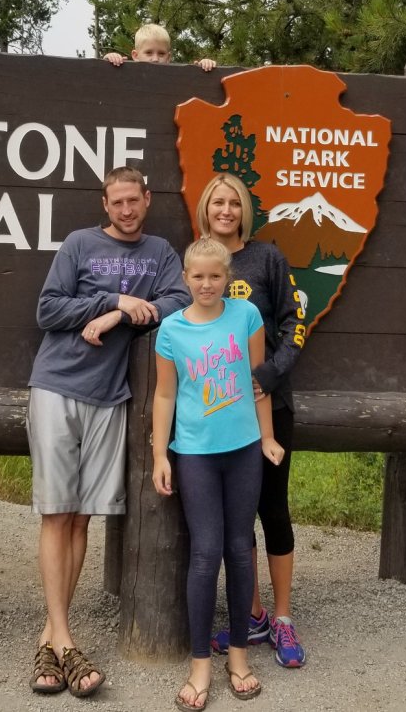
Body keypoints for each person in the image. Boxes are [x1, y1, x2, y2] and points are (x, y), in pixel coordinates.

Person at [27, 165, 191, 698]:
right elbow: (48, 309)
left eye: (133, 200)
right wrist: (113, 302)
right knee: (57, 513)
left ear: (148, 198)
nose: (125, 210)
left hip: (110, 396)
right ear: (106, 203)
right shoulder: (79, 243)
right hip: (57, 386)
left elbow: (179, 301)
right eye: (116, 202)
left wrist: (120, 320)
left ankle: (51, 639)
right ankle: (66, 640)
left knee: (81, 519)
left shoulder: (161, 252)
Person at [153, 237, 284, 710]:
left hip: (245, 449)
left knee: (240, 550)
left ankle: (238, 657)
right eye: (198, 276)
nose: (206, 284)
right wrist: (160, 455)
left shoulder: (246, 317)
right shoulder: (170, 330)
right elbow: (165, 395)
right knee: (205, 554)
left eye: (215, 276)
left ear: (228, 278)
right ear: (185, 279)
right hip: (195, 454)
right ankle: (199, 665)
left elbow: (258, 382)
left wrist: (267, 437)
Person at [197, 173, 308, 669]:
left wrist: (270, 371)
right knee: (234, 520)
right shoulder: (197, 260)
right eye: (217, 202)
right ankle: (255, 613)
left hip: (270, 406)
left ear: (245, 210)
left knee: (273, 510)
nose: (226, 210)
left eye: (234, 202)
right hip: (218, 414)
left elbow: (294, 323)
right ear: (206, 208)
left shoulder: (268, 258)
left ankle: (283, 619)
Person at [102, 22, 217, 72]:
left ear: (168, 57)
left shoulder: (175, 78)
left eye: (161, 53)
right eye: (149, 53)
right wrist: (108, 60)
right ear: (135, 55)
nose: (155, 59)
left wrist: (204, 67)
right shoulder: (127, 76)